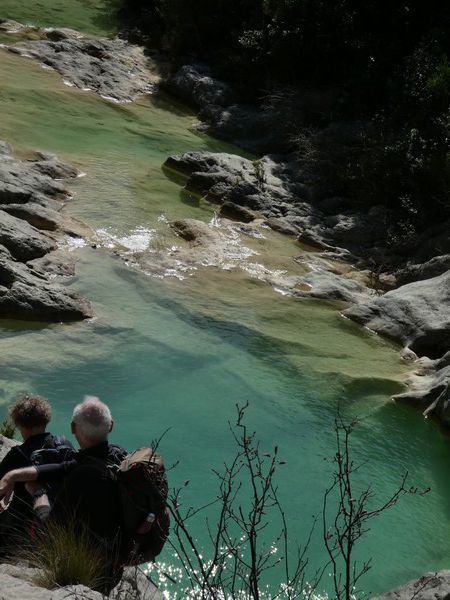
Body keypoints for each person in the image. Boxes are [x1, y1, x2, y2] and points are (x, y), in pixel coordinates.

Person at [0, 395, 127, 591]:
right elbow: (62, 467)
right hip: (116, 555)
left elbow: (52, 529)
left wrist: (38, 494)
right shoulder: (117, 455)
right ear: (110, 426)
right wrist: (13, 476)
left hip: (75, 556)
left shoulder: (80, 474)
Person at [0, 393, 72, 552]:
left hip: (23, 529)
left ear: (19, 424)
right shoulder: (65, 445)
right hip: (62, 524)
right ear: (45, 419)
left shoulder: (17, 454)